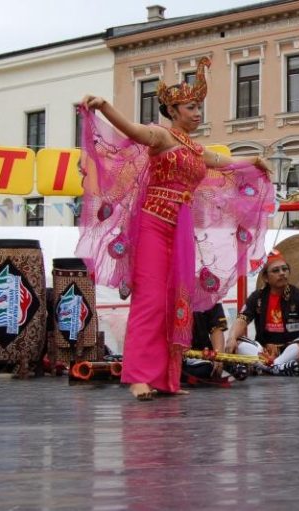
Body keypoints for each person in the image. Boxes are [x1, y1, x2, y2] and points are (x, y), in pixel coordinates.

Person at [78, 57, 274, 400]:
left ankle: (167, 379)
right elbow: (133, 132)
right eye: (190, 106)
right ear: (172, 109)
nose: (197, 112)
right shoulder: (161, 135)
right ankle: (138, 376)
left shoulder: (196, 149)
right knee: (151, 301)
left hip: (180, 227)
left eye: (199, 106)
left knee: (176, 302)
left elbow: (222, 162)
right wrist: (106, 107)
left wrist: (253, 162)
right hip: (154, 222)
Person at [225, 249, 299, 376]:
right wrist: (231, 338)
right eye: (276, 271)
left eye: (284, 269)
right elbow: (242, 320)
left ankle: (265, 367)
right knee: (237, 341)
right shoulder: (257, 297)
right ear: (265, 277)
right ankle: (279, 368)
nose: (282, 273)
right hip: (263, 352)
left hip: (290, 350)